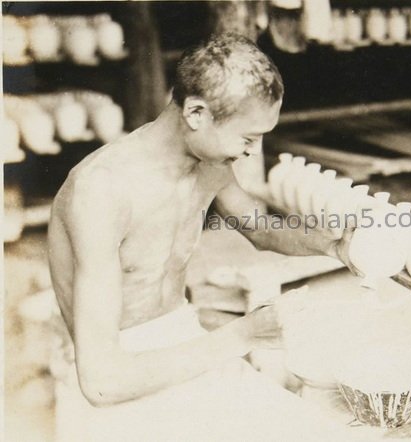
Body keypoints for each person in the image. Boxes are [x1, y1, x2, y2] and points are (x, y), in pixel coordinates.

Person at [47, 33, 354, 441]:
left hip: (184, 340)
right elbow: (103, 381)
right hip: (113, 373)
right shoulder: (101, 190)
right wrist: (244, 334)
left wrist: (333, 245)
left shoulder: (209, 160)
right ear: (195, 112)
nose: (252, 150)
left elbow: (260, 226)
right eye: (248, 138)